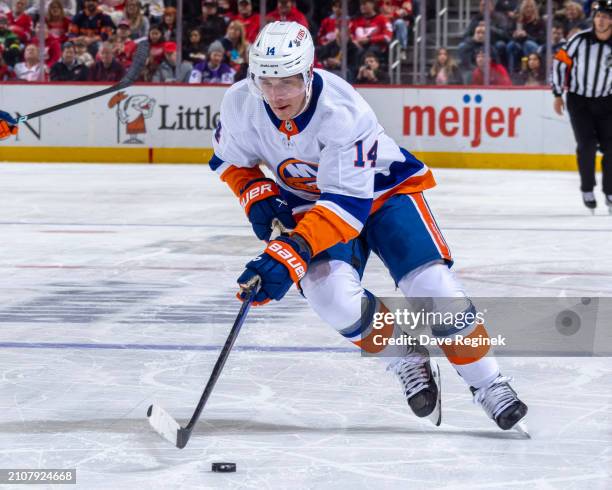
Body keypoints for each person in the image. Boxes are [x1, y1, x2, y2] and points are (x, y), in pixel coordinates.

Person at [208, 21, 528, 433]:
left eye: (286, 81)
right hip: (311, 206)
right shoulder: (240, 103)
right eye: (266, 81)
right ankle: (404, 352)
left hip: (381, 194)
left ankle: (489, 383)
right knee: (331, 299)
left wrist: (290, 252)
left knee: (433, 289)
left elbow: (347, 207)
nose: (275, 95)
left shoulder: (343, 110)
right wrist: (255, 193)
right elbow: (233, 160)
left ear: (308, 73)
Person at [551, 0, 612, 212]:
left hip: (607, 101)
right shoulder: (579, 39)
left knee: (611, 149)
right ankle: (588, 189)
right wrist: (558, 93)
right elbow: (560, 62)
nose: (601, 20)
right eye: (598, 16)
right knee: (586, 145)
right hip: (579, 101)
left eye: (606, 16)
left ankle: (610, 191)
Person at [506, 0, 545, 73]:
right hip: (518, 44)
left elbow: (541, 39)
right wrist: (514, 34)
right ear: (522, 8)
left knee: (528, 44)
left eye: (531, 7)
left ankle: (528, 71)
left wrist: (527, 35)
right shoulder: (518, 20)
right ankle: (512, 72)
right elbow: (508, 33)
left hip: (534, 45)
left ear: (534, 9)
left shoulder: (539, 21)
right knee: (511, 45)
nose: (529, 9)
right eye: (526, 7)